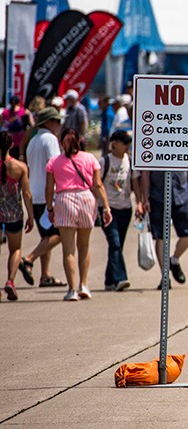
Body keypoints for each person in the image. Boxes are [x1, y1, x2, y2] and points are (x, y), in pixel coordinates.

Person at [45, 128, 112, 301]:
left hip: (64, 199)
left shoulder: (54, 162)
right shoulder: (90, 159)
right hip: (86, 198)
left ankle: (72, 289)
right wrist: (106, 207)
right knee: (84, 245)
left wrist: (50, 209)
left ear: (61, 142)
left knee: (68, 249)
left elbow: (49, 189)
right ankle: (84, 285)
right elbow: (98, 185)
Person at [20, 107, 63, 288]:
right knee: (59, 233)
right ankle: (28, 259)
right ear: (49, 122)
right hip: (48, 194)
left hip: (35, 194)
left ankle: (45, 275)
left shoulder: (33, 140)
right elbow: (56, 166)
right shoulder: (50, 139)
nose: (59, 125)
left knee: (46, 236)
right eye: (56, 121)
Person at [138, 169, 188, 289]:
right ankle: (165, 277)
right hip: (158, 197)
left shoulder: (185, 149)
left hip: (182, 196)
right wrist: (145, 199)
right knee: (160, 237)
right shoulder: (153, 150)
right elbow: (145, 173)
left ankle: (175, 260)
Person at [0, 131, 34, 301]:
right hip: (14, 213)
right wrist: (31, 216)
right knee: (15, 249)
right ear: (11, 145)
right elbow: (27, 193)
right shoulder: (20, 167)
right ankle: (10, 281)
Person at [100, 131, 136, 291]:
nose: (127, 146)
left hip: (125, 208)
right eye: (124, 143)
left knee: (118, 245)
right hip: (108, 209)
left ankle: (109, 280)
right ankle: (120, 278)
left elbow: (135, 181)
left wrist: (141, 202)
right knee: (114, 242)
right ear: (114, 143)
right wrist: (99, 207)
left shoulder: (130, 161)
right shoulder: (104, 161)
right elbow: (96, 184)